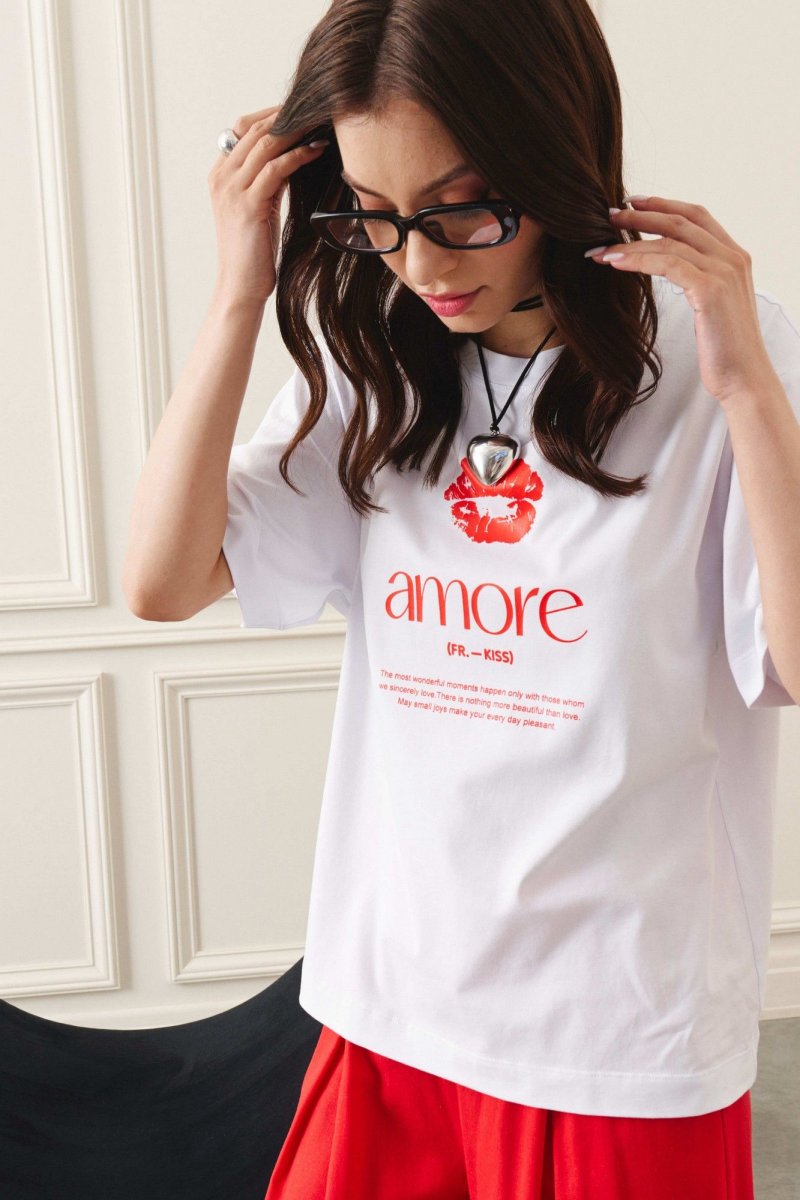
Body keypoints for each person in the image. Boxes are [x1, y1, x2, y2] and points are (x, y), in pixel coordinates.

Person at [123, 1, 800, 1196]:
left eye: (462, 211)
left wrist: (747, 384)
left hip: (612, 1037)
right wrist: (237, 291)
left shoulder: (720, 358)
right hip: (390, 1000)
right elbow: (163, 583)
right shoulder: (377, 364)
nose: (423, 265)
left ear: (558, 159)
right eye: (374, 217)